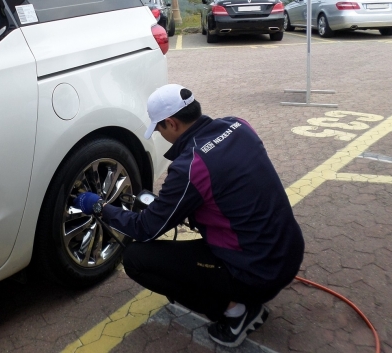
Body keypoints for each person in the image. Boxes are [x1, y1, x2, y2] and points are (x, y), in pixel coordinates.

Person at [73, 84, 305, 348]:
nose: (160, 133)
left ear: (171, 123)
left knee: (136, 259)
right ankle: (243, 294)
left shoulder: (191, 167)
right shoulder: (238, 125)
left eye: (159, 128)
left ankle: (237, 313)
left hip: (258, 272)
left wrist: (99, 207)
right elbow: (235, 189)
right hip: (289, 251)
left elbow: (145, 229)